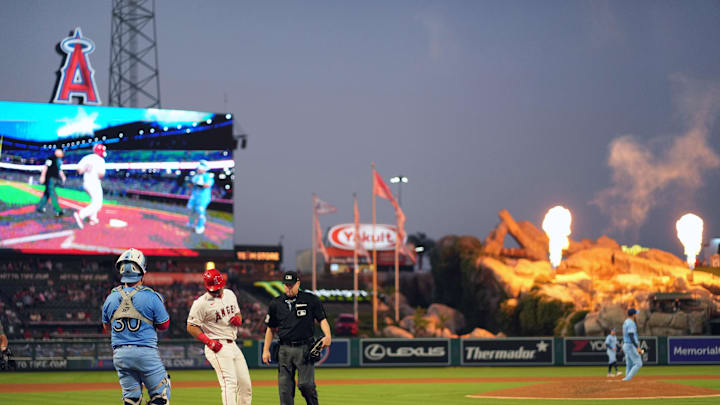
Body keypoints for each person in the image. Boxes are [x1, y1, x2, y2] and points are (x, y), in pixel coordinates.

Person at [101, 248, 171, 405]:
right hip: (145, 352)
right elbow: (164, 325)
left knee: (131, 399)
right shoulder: (151, 296)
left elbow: (106, 327)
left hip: (120, 355)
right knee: (162, 395)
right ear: (142, 269)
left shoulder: (110, 298)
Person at [262, 271, 331, 405]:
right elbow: (270, 328)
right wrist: (266, 350)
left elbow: (322, 320)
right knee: (285, 391)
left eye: (291, 285)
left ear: (298, 283)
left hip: (305, 348)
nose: (288, 287)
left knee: (306, 385)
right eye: (286, 285)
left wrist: (328, 335)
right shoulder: (276, 303)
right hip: (284, 349)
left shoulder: (310, 299)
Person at [187, 268, 252, 405]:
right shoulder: (200, 303)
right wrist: (208, 342)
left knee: (245, 385)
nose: (216, 291)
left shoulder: (230, 294)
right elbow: (191, 326)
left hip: (233, 343)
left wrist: (239, 319)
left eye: (218, 288)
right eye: (213, 289)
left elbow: (238, 313)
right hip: (217, 344)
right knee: (229, 383)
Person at [74, 143, 106, 228]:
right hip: (94, 183)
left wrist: (86, 169)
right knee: (97, 204)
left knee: (94, 200)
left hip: (86, 183)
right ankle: (80, 215)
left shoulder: (87, 157)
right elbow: (101, 175)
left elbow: (79, 170)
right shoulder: (100, 160)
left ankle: (93, 218)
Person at [36, 147, 66, 216]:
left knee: (47, 194)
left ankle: (40, 207)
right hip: (50, 178)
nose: (62, 154)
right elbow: (45, 167)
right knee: (53, 194)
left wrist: (63, 176)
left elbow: (59, 170)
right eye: (61, 152)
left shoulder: (59, 160)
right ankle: (58, 210)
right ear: (57, 151)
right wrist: (42, 176)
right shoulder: (50, 158)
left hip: (54, 178)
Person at [186, 160, 214, 234]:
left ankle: (200, 226)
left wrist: (199, 184)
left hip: (202, 197)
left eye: (200, 168)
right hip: (194, 196)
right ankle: (191, 223)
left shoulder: (207, 176)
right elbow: (191, 185)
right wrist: (190, 182)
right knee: (190, 209)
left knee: (199, 211)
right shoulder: (196, 176)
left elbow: (208, 185)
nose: (198, 169)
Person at [622, 308, 643, 381]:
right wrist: (637, 347)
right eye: (635, 313)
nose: (636, 315)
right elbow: (631, 335)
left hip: (626, 344)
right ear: (633, 314)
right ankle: (627, 378)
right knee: (638, 363)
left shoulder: (626, 321)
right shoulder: (631, 323)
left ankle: (627, 380)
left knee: (629, 363)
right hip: (630, 345)